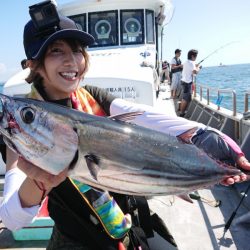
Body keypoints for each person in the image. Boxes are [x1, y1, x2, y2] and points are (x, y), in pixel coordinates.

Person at [0, 5, 250, 250]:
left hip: (131, 226)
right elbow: (12, 219)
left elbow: (153, 119)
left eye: (77, 50)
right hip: (77, 241)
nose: (71, 61)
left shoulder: (94, 98)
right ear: (34, 64)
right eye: (56, 51)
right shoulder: (22, 127)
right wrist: (39, 183)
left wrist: (212, 138)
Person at [179, 49, 200, 117]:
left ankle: (182, 110)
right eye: (196, 56)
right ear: (192, 56)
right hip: (187, 83)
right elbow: (195, 72)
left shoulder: (186, 62)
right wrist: (198, 67)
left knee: (185, 98)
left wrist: (195, 66)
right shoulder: (191, 63)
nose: (196, 57)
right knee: (185, 99)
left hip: (183, 81)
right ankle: (182, 113)